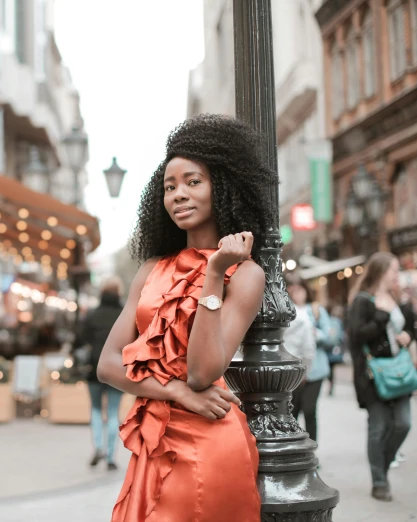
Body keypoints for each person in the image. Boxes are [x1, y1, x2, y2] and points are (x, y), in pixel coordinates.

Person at [97, 115, 273, 521]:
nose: (179, 194)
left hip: (211, 445)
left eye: (193, 182)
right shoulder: (151, 270)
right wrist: (174, 393)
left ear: (222, 188)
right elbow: (108, 365)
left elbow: (202, 371)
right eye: (169, 186)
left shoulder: (245, 275)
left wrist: (213, 274)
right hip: (154, 443)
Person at [348, 252, 414, 502]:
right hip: (374, 374)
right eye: (394, 270)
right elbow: (357, 335)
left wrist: (408, 334)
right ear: (381, 271)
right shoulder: (364, 300)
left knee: (403, 424)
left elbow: (408, 326)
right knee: (378, 427)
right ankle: (379, 482)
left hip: (400, 370)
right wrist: (382, 315)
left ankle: (381, 468)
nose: (397, 275)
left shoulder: (397, 297)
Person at [79, 277, 125, 471]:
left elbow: (80, 339)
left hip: (94, 368)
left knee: (97, 409)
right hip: (119, 368)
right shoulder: (125, 314)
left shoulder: (92, 315)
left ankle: (98, 446)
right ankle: (111, 455)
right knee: (113, 412)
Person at [287, 278, 332, 442]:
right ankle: (295, 445)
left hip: (315, 370)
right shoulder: (287, 310)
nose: (296, 293)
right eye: (293, 289)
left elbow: (330, 337)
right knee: (293, 410)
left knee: (310, 409)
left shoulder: (315, 310)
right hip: (293, 371)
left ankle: (312, 447)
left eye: (299, 289)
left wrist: (314, 334)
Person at [283, 274, 317, 391]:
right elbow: (308, 350)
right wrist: (305, 371)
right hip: (295, 368)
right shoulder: (302, 317)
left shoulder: (313, 310)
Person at [325, 305, 346, 396]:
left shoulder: (328, 320)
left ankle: (328, 382)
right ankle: (331, 384)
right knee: (332, 369)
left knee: (329, 367)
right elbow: (341, 337)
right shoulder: (339, 322)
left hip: (327, 349)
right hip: (334, 350)